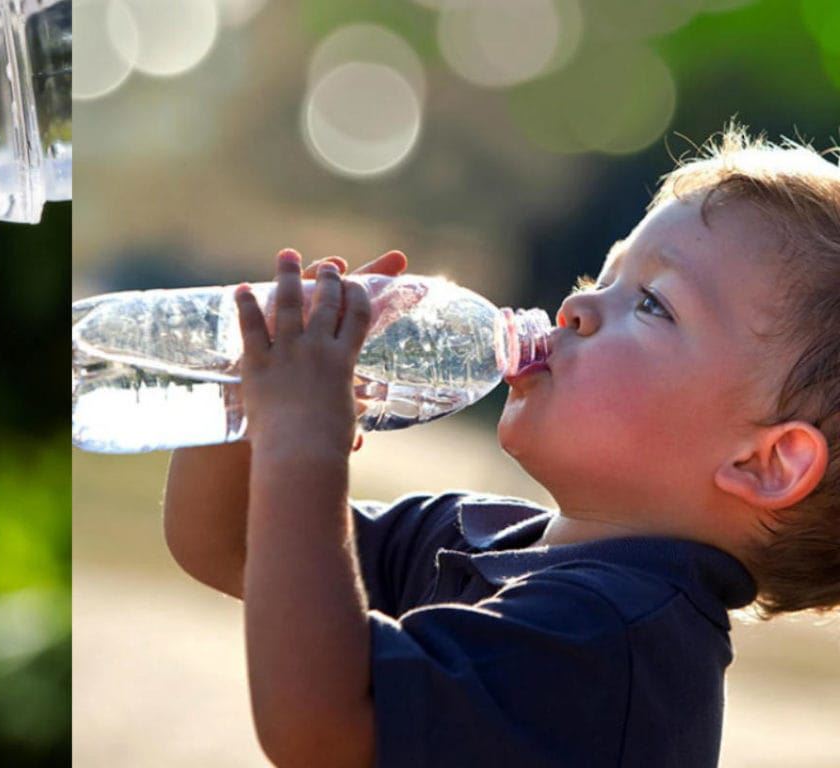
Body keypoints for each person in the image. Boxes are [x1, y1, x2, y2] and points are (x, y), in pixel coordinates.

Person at [164, 124, 840, 767]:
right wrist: (247, 392)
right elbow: (229, 540)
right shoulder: (480, 537)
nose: (576, 309)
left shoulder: (614, 639)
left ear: (766, 463)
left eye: (653, 304)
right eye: (602, 278)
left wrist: (304, 445)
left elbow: (322, 730)